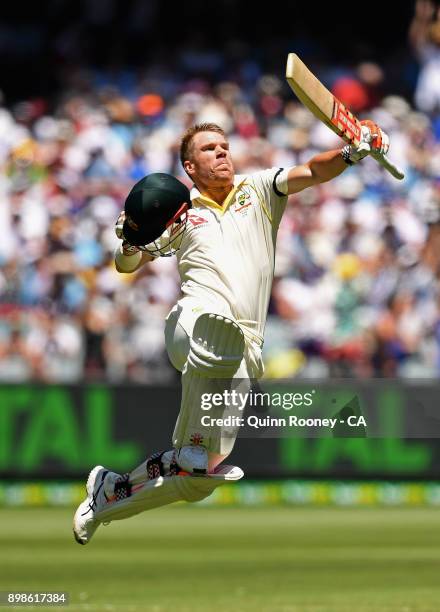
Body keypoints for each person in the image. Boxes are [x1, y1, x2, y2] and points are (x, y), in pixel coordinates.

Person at [73, 120, 390, 545]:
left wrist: (352, 153)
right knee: (206, 334)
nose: (222, 152)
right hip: (192, 324)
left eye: (224, 145)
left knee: (198, 472)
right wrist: (131, 241)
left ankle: (111, 493)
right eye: (209, 149)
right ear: (190, 165)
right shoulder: (180, 212)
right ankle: (172, 442)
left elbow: (312, 171)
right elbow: (126, 264)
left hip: (244, 348)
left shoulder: (259, 189)